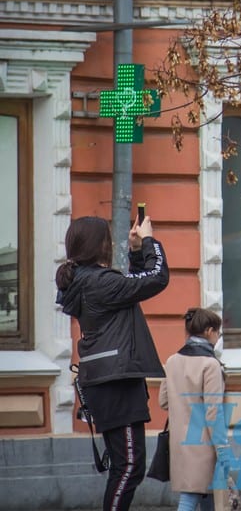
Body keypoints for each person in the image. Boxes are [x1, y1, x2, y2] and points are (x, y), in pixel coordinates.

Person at [55, 214, 169, 511]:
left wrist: (134, 252)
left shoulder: (85, 281)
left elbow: (131, 287)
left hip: (106, 378)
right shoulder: (100, 282)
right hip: (115, 380)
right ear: (99, 245)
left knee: (126, 465)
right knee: (129, 466)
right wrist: (148, 241)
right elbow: (156, 278)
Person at [159, 307, 229, 511]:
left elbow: (163, 401)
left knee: (204, 494)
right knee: (191, 497)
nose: (218, 337)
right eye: (218, 332)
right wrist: (223, 450)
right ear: (209, 331)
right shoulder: (210, 364)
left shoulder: (172, 360)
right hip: (204, 442)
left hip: (180, 441)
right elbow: (213, 412)